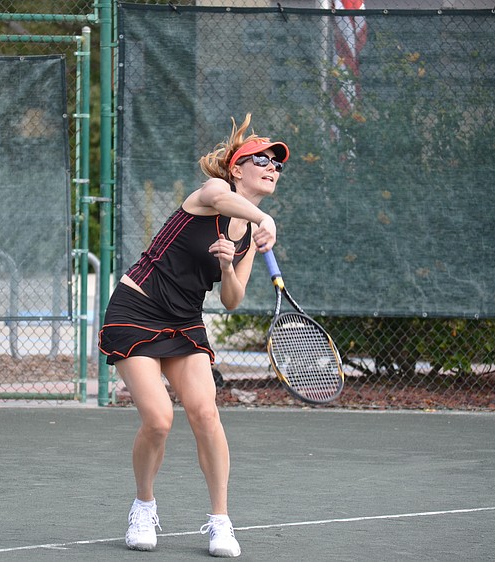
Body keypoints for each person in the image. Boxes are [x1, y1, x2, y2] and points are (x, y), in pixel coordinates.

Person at [98, 114, 289, 558]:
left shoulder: (249, 235)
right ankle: (143, 506)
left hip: (184, 321)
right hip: (137, 308)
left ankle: (220, 522)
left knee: (206, 414)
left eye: (277, 164)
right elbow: (220, 198)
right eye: (261, 159)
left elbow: (232, 299)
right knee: (159, 419)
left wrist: (227, 264)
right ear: (236, 169)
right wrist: (267, 219)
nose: (272, 167)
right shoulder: (211, 195)